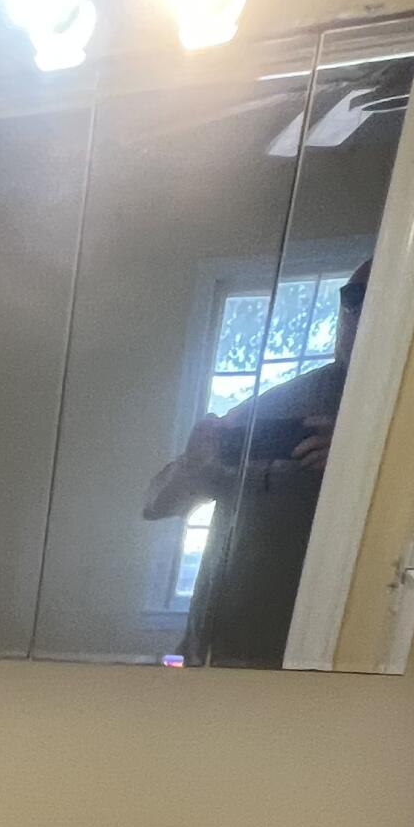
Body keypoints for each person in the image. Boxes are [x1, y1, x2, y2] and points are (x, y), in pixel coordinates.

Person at [143, 259, 367, 667]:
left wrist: (363, 462)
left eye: (371, 299)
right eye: (351, 298)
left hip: (319, 662)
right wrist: (193, 463)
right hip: (212, 650)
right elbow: (157, 505)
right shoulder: (279, 404)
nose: (357, 313)